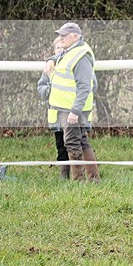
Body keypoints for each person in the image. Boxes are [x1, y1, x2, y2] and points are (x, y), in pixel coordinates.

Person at [47, 22, 100, 182]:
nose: (61, 38)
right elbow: (60, 58)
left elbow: (85, 87)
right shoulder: (72, 51)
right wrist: (51, 59)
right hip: (67, 107)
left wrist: (75, 111)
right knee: (81, 141)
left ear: (75, 37)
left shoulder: (81, 56)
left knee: (72, 142)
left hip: (73, 108)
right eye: (60, 35)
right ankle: (93, 178)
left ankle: (78, 180)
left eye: (64, 35)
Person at [37, 37, 70, 178]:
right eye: (58, 48)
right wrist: (50, 89)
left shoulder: (73, 66)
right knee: (61, 146)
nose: (61, 51)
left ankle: (80, 172)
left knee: (75, 143)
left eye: (64, 48)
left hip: (72, 114)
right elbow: (41, 88)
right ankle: (64, 175)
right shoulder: (49, 70)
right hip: (56, 117)